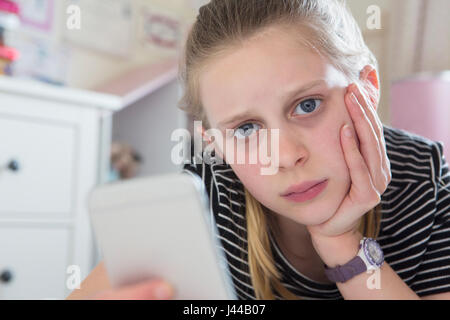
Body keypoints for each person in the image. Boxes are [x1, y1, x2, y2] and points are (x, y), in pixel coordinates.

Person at [67, 0, 450, 300]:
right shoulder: (203, 201)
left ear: (366, 88)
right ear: (216, 145)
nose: (284, 156)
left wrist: (343, 245)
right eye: (247, 129)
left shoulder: (422, 175)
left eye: (308, 105)